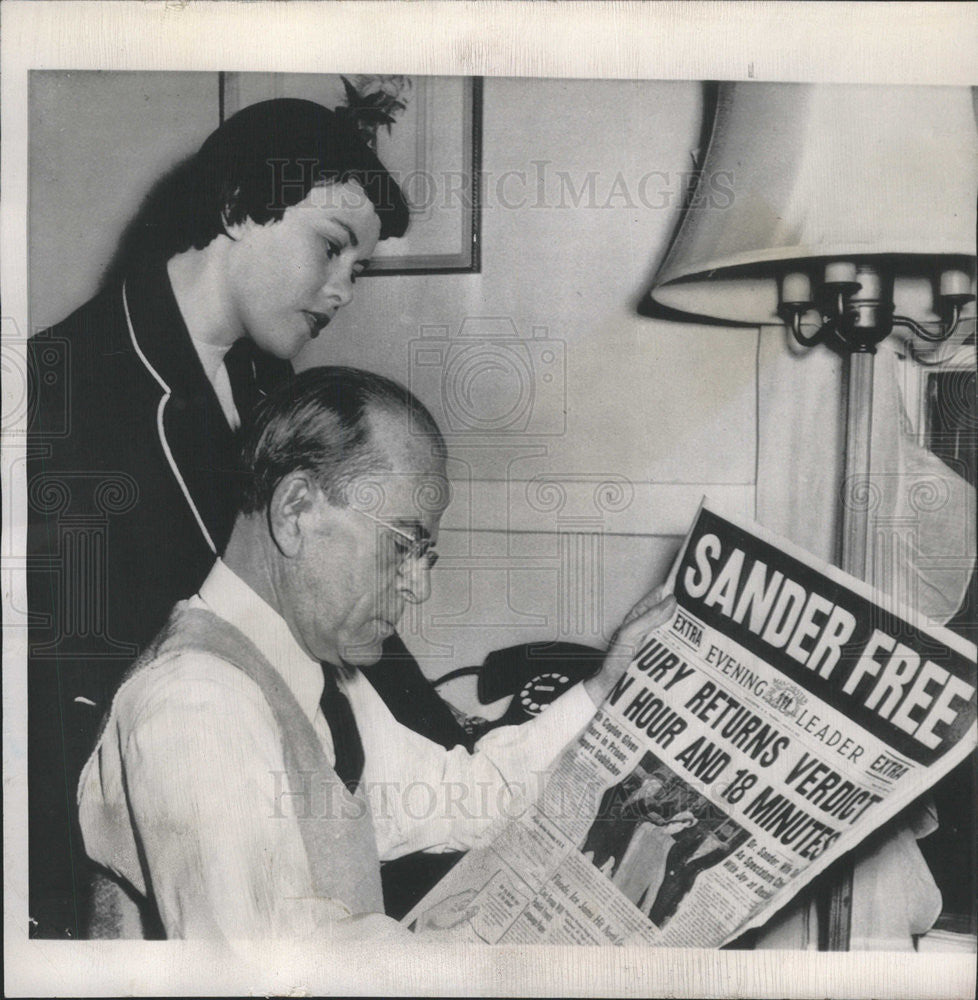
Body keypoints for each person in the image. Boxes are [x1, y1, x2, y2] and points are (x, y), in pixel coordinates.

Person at [77, 367, 676, 941]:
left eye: (426, 555)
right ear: (296, 512)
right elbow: (263, 968)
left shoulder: (310, 675)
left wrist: (603, 687)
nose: (419, 586)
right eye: (403, 545)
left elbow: (460, 797)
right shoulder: (197, 703)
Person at [26, 97, 411, 937]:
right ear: (239, 208)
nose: (344, 289)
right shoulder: (53, 385)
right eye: (332, 247)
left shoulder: (268, 390)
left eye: (360, 267)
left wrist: (457, 739)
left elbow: (334, 603)